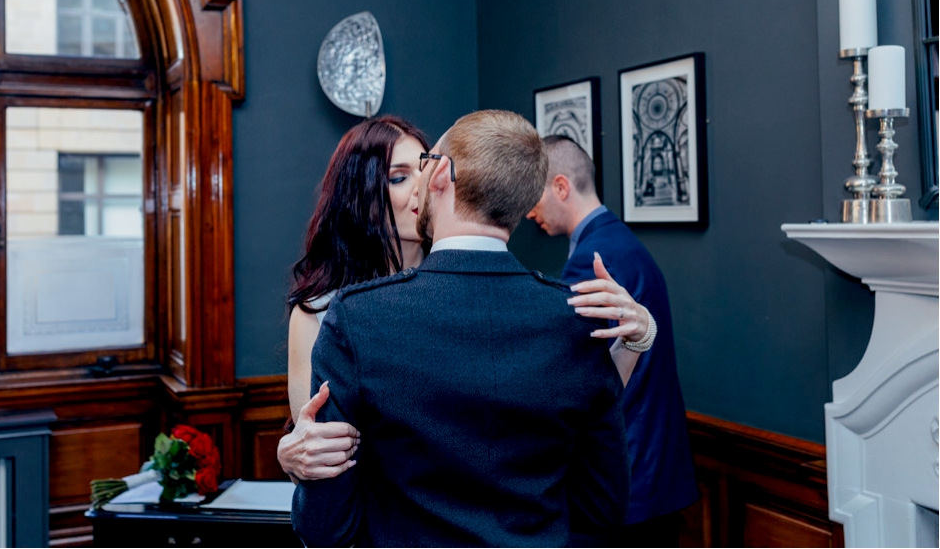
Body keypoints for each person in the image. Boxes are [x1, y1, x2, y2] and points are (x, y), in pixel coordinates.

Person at [292, 110, 632, 547]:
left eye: (424, 164)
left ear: (440, 175)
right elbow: (603, 505)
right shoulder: (574, 317)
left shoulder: (357, 318)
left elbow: (326, 524)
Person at [526, 135, 699, 547]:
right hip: (657, 468)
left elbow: (572, 374)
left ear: (561, 187)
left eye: (534, 196)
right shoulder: (622, 241)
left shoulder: (594, 260)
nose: (529, 212)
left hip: (628, 475)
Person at [280, 116, 430, 481]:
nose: (422, 188)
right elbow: (313, 448)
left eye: (427, 171)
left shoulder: (459, 284)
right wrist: (294, 453)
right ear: (361, 194)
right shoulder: (319, 311)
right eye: (399, 177)